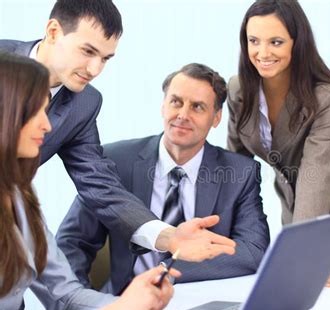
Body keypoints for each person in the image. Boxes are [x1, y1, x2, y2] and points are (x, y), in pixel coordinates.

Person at [0, 0, 236, 263]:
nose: (95, 70)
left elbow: (99, 183)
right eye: (87, 51)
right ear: (54, 32)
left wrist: (168, 237)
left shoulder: (84, 102)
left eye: (105, 58)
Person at [0, 52, 180, 310]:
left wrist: (132, 306)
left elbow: (65, 295)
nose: (48, 125)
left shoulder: (20, 196)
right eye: (36, 110)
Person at [56, 63, 270, 294]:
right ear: (163, 105)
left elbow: (254, 251)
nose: (183, 115)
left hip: (200, 302)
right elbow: (72, 243)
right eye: (176, 102)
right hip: (125, 303)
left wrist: (167, 270)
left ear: (216, 117)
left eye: (197, 107)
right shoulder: (114, 161)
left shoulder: (240, 173)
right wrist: (81, 306)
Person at [227, 0, 330, 228]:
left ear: (296, 43)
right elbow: (237, 164)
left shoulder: (326, 97)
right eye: (254, 41)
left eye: (276, 42)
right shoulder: (239, 90)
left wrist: (300, 240)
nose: (263, 52)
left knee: (313, 259)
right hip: (291, 198)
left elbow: (316, 176)